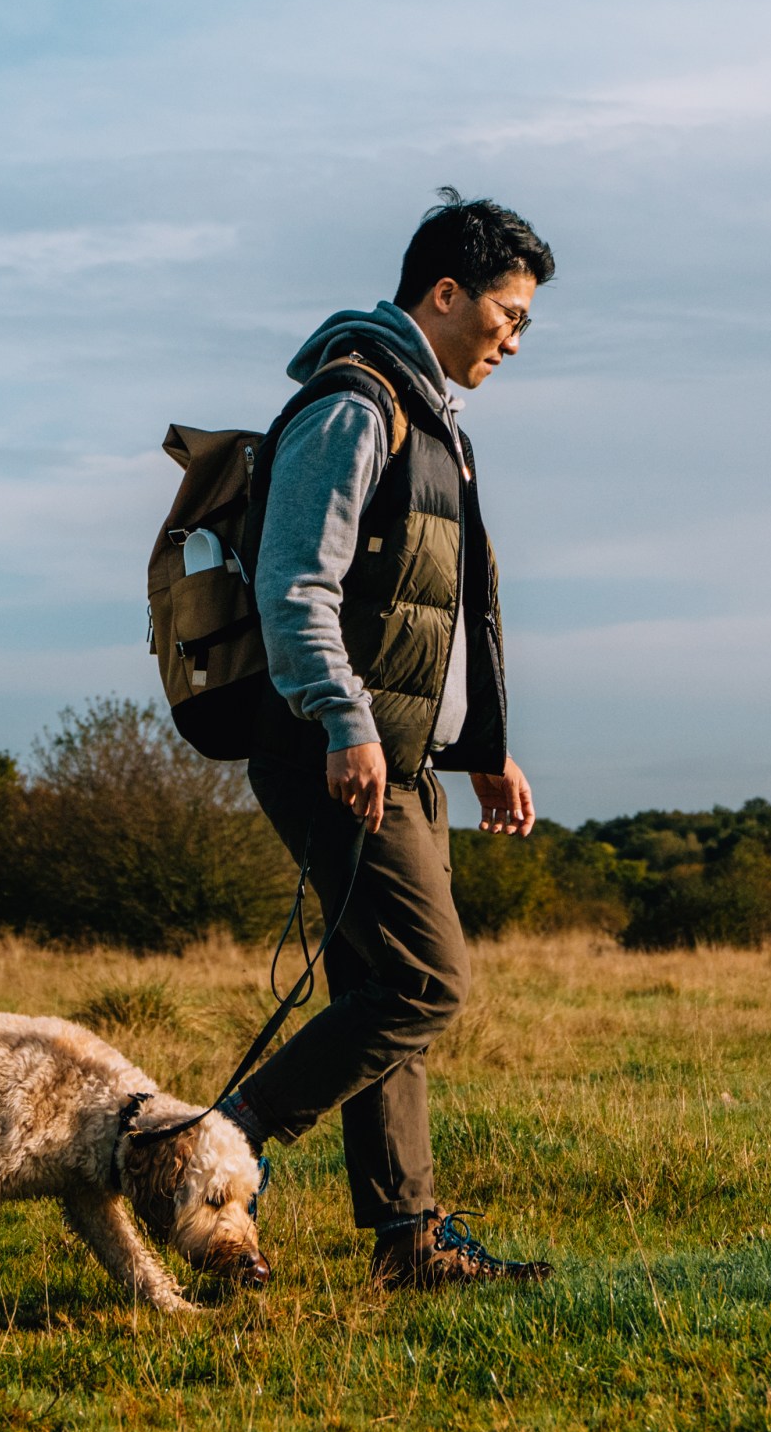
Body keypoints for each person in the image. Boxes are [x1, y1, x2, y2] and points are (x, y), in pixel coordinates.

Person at [215, 194, 556, 1289]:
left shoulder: (429, 416)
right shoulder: (356, 406)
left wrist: (481, 745)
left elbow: (439, 614)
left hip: (397, 755)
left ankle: (406, 1239)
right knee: (424, 982)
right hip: (338, 750)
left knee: (381, 984)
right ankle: (212, 1140)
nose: (514, 336)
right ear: (443, 293)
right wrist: (344, 720)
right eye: (506, 311)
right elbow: (294, 585)